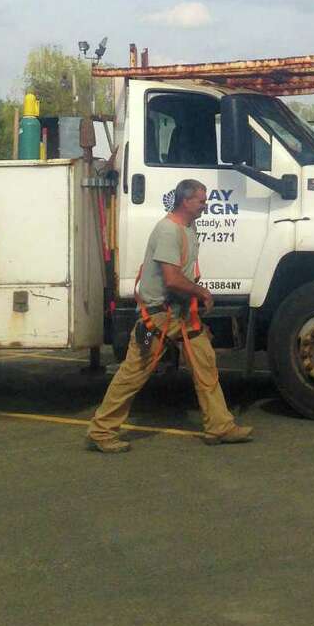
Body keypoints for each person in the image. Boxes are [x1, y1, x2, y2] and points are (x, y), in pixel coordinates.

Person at [86, 177, 253, 453]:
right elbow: (173, 280)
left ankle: (220, 426)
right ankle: (101, 431)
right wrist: (202, 292)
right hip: (157, 319)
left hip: (181, 316)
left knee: (205, 365)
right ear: (186, 201)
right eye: (201, 201)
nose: (205, 205)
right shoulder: (168, 231)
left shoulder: (188, 227)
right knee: (133, 373)